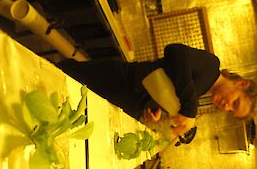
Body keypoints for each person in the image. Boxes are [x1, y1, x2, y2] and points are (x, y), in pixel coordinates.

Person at [57, 43, 256, 136]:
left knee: (65, 102)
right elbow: (175, 52)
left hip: (128, 99)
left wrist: (153, 108)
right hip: (120, 80)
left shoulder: (201, 91)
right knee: (59, 76)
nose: (226, 106)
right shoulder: (211, 66)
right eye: (235, 102)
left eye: (230, 111)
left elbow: (166, 80)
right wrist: (189, 109)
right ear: (241, 84)